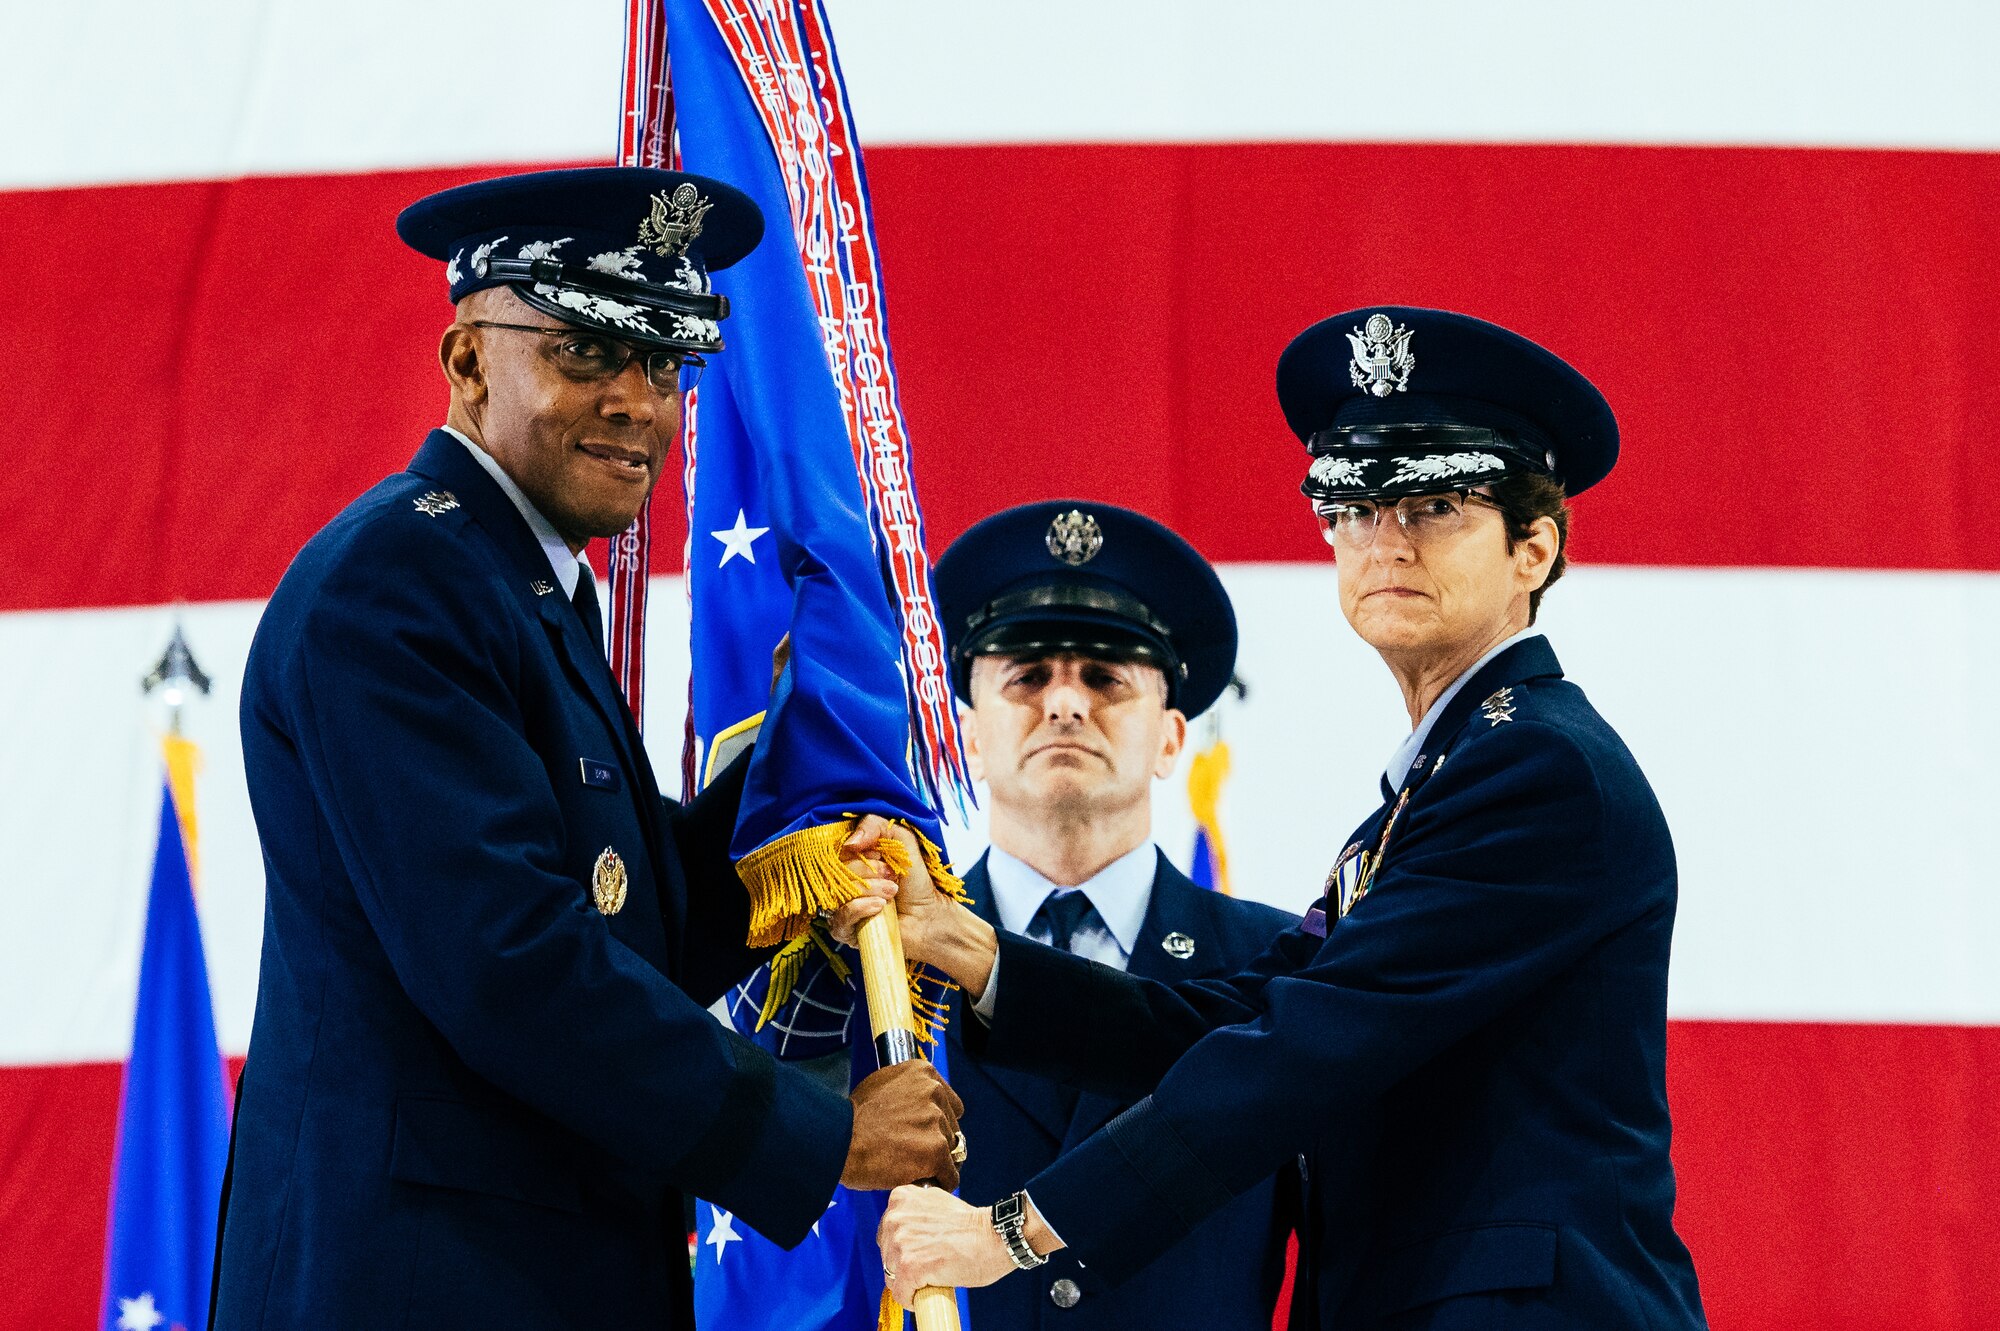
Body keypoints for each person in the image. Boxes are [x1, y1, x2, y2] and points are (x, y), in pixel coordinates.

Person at [845, 308, 1708, 1329]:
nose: (1384, 539)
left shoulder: (1533, 768)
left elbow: (1301, 1047)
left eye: (1433, 504)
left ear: (1533, 547)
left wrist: (1016, 1229)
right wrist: (980, 953)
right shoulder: (1449, 774)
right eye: (1352, 504)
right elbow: (1246, 1013)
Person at [211, 168, 961, 1331]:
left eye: (664, 365)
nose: (636, 402)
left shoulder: (512, 584)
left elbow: (622, 916)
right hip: (418, 1285)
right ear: (468, 362)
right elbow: (508, 957)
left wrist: (801, 781)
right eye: (584, 354)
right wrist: (822, 1134)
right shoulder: (396, 584)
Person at [934, 501, 1300, 1327]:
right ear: (970, 736)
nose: (1065, 704)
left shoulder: (1274, 963)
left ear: (1173, 739)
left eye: (1106, 678)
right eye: (1026, 675)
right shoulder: (878, 970)